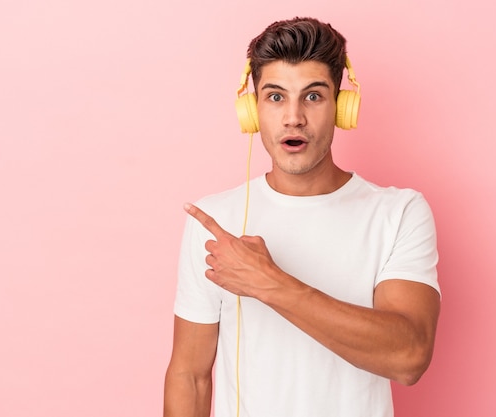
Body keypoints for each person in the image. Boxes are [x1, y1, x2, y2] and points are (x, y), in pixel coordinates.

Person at [163, 16, 440, 417]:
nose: (293, 117)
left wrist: (268, 282)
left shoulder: (399, 212)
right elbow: (190, 375)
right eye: (275, 97)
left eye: (313, 96)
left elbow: (409, 356)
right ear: (253, 110)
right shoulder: (215, 220)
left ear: (342, 107)